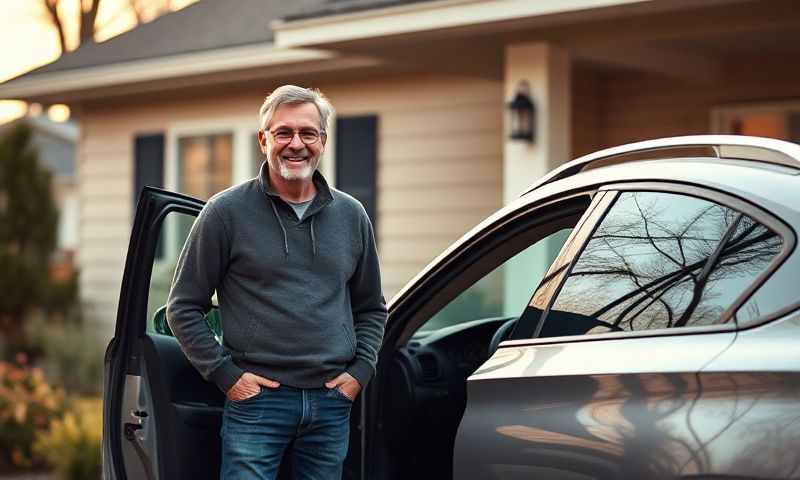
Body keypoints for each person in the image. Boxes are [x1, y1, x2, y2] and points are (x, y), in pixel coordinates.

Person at [166, 85, 387, 479]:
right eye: (283, 132)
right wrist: (226, 376)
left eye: (308, 133)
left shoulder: (352, 216)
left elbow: (370, 307)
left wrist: (359, 374)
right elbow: (183, 307)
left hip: (331, 401)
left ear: (323, 141)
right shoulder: (225, 213)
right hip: (257, 403)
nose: (296, 144)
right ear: (263, 140)